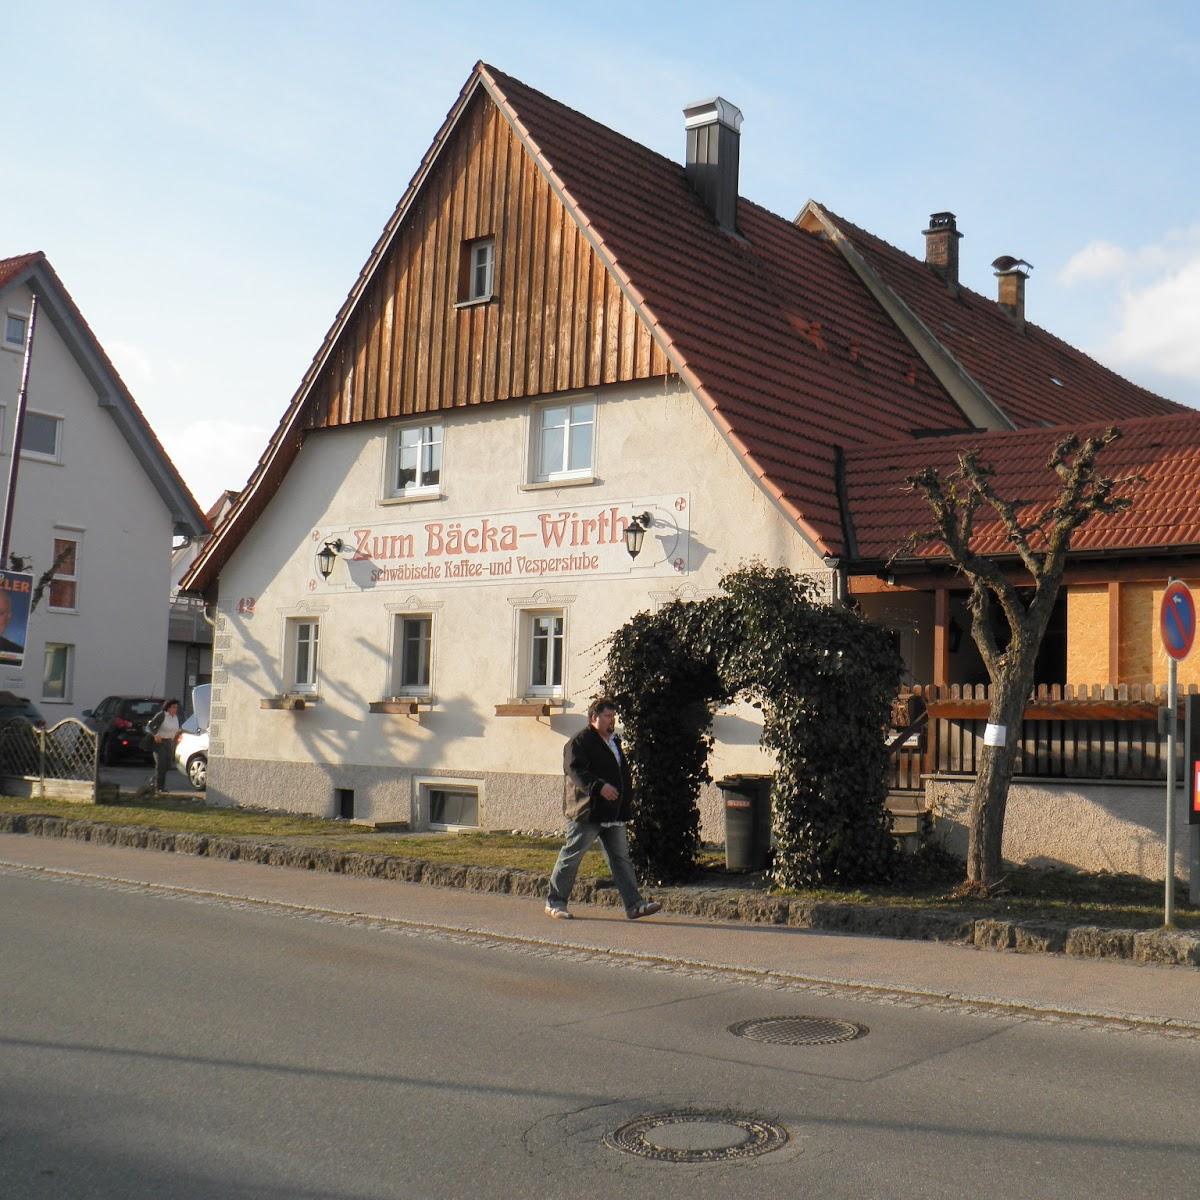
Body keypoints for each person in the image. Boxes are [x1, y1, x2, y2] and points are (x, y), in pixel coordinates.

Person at [545, 698, 662, 921]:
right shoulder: (579, 742)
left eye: (613, 716)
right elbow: (575, 771)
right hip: (587, 811)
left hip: (613, 812)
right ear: (594, 718)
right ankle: (555, 902)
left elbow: (619, 772)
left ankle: (635, 905)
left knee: (621, 859)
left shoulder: (613, 741)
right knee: (572, 856)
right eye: (607, 716)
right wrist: (599, 787)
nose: (612, 720)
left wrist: (626, 798)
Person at [146, 699, 181, 796]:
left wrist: (178, 733)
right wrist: (156, 735)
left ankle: (154, 780)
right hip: (160, 742)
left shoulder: (175, 717)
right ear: (168, 708)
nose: (175, 709)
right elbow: (149, 726)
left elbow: (175, 729)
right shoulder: (162, 715)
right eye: (173, 707)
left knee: (168, 765)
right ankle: (159, 788)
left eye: (176, 707)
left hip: (170, 743)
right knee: (161, 765)